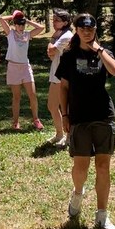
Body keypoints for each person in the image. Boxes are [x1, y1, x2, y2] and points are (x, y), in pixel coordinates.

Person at [58, 13, 115, 229]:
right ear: (76, 30)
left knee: (103, 166)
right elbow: (63, 88)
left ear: (95, 30)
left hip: (103, 115)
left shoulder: (104, 53)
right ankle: (77, 193)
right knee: (80, 166)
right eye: (83, 29)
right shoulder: (68, 56)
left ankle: (102, 216)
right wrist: (64, 116)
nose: (87, 32)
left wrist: (100, 50)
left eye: (91, 29)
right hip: (79, 116)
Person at [0, 10, 45, 131]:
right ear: (14, 24)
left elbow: (41, 27)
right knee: (16, 97)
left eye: (22, 24)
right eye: (18, 24)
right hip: (13, 67)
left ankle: (36, 120)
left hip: (25, 67)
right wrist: (14, 16)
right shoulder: (10, 33)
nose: (20, 26)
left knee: (33, 95)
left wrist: (27, 20)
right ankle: (15, 122)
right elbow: (2, 19)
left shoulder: (28, 34)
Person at [46, 9, 74, 147]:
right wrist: (52, 43)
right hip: (55, 74)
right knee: (52, 106)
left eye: (57, 20)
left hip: (64, 77)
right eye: (53, 19)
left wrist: (52, 39)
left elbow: (51, 51)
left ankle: (68, 136)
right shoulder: (60, 35)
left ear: (65, 22)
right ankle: (59, 134)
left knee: (66, 108)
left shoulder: (66, 36)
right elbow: (50, 54)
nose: (54, 22)